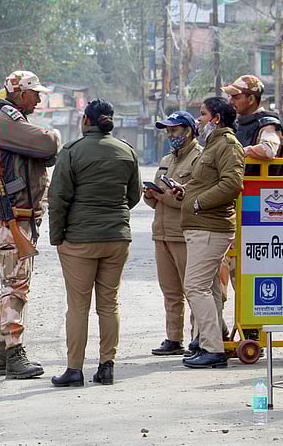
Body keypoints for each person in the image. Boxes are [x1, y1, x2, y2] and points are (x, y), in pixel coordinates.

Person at [48, 99, 140, 387]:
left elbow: (58, 198)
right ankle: (107, 366)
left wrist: (57, 237)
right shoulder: (127, 151)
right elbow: (134, 196)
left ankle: (74, 370)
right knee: (109, 304)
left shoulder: (72, 152)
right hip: (116, 238)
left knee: (78, 306)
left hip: (79, 240)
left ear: (86, 120)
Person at [0, 70, 59, 379]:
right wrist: (52, 138)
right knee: (16, 286)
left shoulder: (10, 118)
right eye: (34, 93)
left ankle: (1, 352)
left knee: (12, 283)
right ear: (19, 93)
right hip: (11, 215)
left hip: (18, 214)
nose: (38, 99)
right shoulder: (6, 117)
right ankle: (14, 352)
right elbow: (46, 144)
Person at [169, 97, 244, 369]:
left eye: (202, 115)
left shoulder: (227, 145)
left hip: (210, 227)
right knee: (209, 288)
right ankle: (209, 344)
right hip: (202, 226)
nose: (198, 120)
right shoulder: (213, 144)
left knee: (194, 286)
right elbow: (208, 183)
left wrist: (199, 202)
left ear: (216, 119)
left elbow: (232, 184)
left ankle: (213, 348)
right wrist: (188, 193)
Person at [220, 75, 283, 345]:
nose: (232, 101)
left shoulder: (267, 123)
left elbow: (269, 149)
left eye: (236, 96)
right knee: (227, 267)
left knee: (248, 273)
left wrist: (236, 151)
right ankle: (225, 328)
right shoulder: (232, 124)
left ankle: (252, 330)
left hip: (259, 209)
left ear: (251, 98)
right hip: (232, 205)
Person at [144, 111, 201, 356]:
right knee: (170, 291)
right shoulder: (167, 158)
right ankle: (173, 337)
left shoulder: (200, 158)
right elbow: (155, 201)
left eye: (174, 130)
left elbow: (194, 199)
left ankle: (199, 338)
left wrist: (164, 197)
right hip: (162, 233)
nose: (170, 135)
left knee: (193, 290)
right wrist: (150, 196)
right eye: (167, 130)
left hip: (184, 233)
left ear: (188, 130)